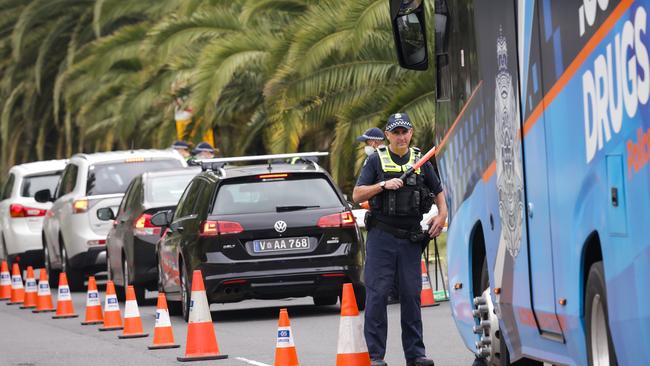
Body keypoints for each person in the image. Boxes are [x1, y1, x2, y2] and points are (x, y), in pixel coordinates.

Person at [353, 112, 447, 366]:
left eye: (405, 131)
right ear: (387, 136)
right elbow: (357, 193)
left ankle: (416, 355)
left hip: (410, 239)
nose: (401, 136)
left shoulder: (420, 160)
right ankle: (375, 357)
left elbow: (439, 191)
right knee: (377, 295)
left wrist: (442, 214)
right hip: (381, 236)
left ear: (411, 133)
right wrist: (383, 185)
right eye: (396, 132)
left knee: (411, 296)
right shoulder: (376, 161)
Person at [356, 127, 400, 305]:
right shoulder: (390, 158)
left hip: (383, 220)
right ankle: (394, 291)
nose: (365, 146)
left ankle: (389, 292)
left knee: (382, 262)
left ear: (374, 142)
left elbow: (363, 191)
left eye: (366, 142)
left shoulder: (375, 160)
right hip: (389, 217)